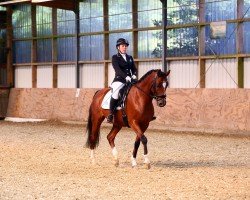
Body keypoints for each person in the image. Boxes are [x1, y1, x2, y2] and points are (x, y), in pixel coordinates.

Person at [106, 38, 137, 123]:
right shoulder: (115, 57)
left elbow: (134, 69)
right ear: (118, 47)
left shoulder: (130, 57)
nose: (124, 47)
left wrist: (134, 74)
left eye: (126, 46)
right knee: (116, 93)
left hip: (130, 80)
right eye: (123, 46)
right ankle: (111, 114)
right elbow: (117, 70)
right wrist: (126, 76)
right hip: (119, 80)